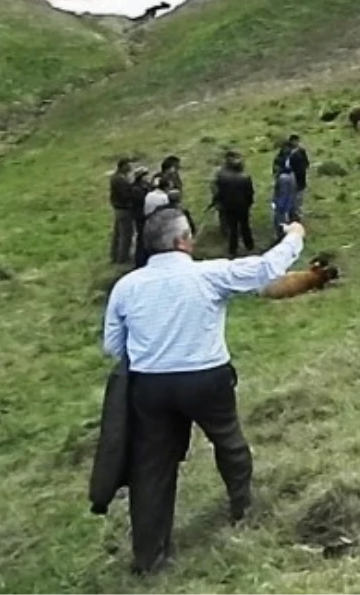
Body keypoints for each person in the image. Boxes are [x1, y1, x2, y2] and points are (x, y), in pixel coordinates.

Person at [102, 208, 306, 575]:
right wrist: (294, 236)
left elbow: (114, 346)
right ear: (183, 241)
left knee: (151, 468)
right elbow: (264, 269)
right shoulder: (209, 274)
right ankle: (242, 510)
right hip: (206, 379)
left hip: (150, 385)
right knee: (229, 441)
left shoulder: (126, 287)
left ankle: (151, 559)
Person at [212, 151, 255, 259]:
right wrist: (249, 204)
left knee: (233, 228)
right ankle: (249, 245)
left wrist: (219, 202)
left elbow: (219, 193)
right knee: (245, 226)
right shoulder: (245, 177)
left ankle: (233, 249)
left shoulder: (223, 177)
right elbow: (249, 193)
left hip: (229, 206)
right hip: (243, 206)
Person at [109, 159, 135, 264]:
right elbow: (126, 194)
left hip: (118, 209)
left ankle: (115, 256)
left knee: (118, 234)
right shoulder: (120, 180)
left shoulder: (116, 178)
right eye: (128, 165)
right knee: (126, 234)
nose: (130, 168)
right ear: (123, 166)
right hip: (124, 209)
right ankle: (123, 258)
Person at [285, 135, 310, 219]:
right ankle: (292, 213)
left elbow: (306, 163)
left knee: (299, 198)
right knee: (291, 197)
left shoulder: (301, 151)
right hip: (290, 178)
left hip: (300, 178)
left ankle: (297, 214)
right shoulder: (287, 152)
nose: (296, 143)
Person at [271, 166, 298, 235]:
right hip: (291, 203)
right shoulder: (292, 176)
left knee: (280, 222)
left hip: (282, 206)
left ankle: (280, 236)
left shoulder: (283, 179)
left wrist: (279, 205)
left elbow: (283, 194)